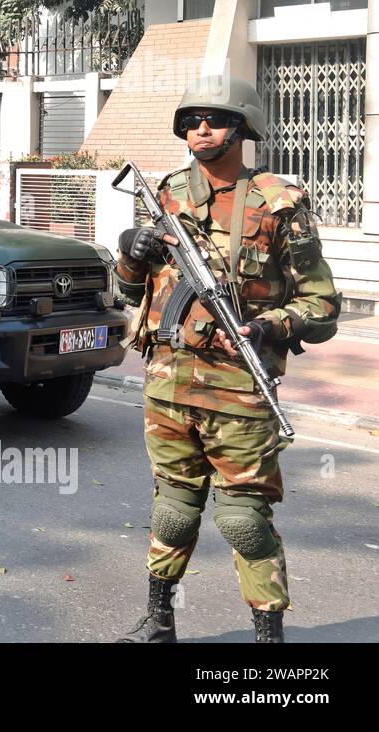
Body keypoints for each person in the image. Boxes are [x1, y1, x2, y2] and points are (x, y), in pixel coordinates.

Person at [114, 76, 340, 645]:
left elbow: (322, 303)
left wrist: (269, 325)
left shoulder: (280, 202)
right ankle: (158, 621)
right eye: (191, 121)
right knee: (172, 509)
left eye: (213, 119)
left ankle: (268, 635)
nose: (200, 129)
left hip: (240, 388)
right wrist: (130, 256)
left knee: (242, 519)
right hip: (168, 381)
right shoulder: (165, 192)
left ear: (243, 126)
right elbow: (130, 292)